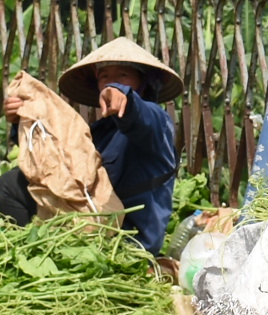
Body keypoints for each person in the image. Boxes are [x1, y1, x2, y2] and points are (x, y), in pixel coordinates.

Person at [58, 36, 181, 253]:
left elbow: (140, 116)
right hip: (89, 232)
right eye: (104, 76)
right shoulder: (101, 131)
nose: (110, 81)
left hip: (129, 245)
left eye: (122, 75)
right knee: (12, 186)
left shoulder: (155, 120)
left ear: (143, 83)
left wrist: (121, 93)